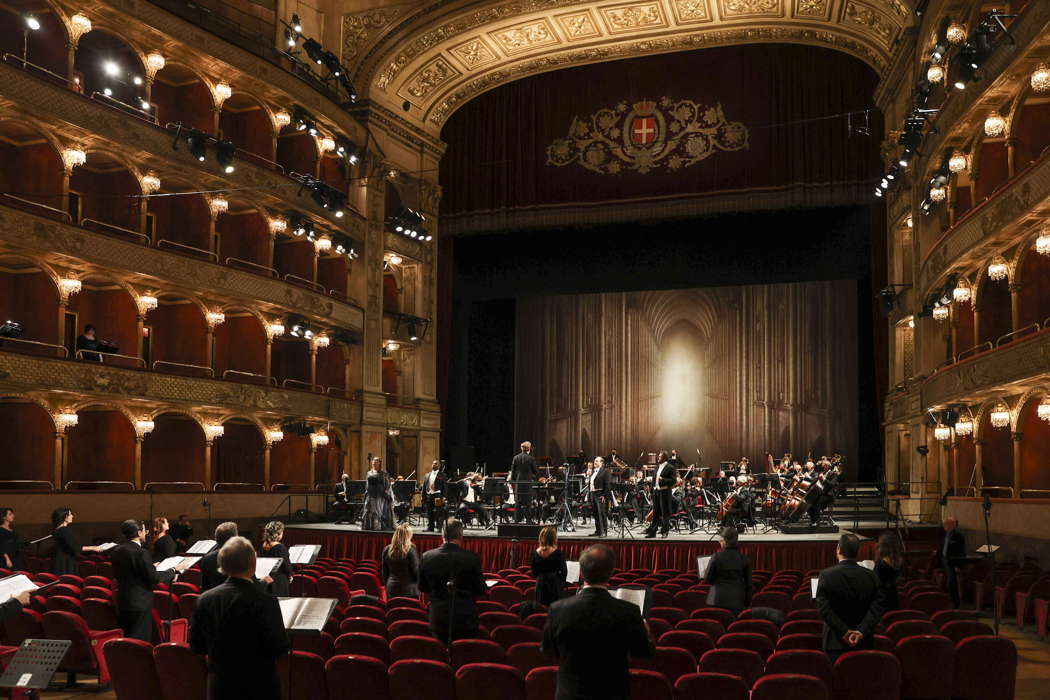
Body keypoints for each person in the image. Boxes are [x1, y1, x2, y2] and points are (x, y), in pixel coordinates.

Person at [542, 544, 655, 700]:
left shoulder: (558, 609)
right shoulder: (628, 612)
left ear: (581, 573)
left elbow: (548, 652)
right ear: (611, 573)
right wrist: (647, 633)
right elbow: (644, 653)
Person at [190, 536, 288, 700]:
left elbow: (197, 646)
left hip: (220, 686)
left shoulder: (204, 599)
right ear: (253, 563)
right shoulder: (265, 600)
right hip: (259, 687)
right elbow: (279, 647)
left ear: (222, 564)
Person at [815, 533, 884, 661]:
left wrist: (844, 632)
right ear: (857, 551)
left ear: (839, 550)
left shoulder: (826, 575)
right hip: (864, 642)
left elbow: (823, 609)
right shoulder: (871, 576)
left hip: (835, 643)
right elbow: (877, 608)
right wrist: (861, 631)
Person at [111, 519, 183, 642]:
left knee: (127, 640)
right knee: (139, 642)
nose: (146, 533)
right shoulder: (141, 552)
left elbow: (131, 571)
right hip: (140, 603)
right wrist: (173, 570)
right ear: (139, 533)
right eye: (145, 530)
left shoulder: (117, 550)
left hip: (123, 600)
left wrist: (151, 566)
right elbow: (154, 578)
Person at [418, 518, 485, 642]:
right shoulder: (472, 558)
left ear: (442, 535)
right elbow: (480, 590)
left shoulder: (426, 557)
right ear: (461, 536)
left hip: (438, 618)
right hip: (466, 620)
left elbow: (423, 587)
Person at [703, 527, 752, 615]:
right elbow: (749, 585)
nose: (719, 542)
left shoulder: (716, 556)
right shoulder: (744, 558)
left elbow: (707, 580)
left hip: (716, 600)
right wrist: (746, 603)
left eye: (720, 540)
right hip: (737, 600)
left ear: (725, 541)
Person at [50, 508, 103, 575]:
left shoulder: (57, 530)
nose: (72, 516)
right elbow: (76, 547)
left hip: (59, 563)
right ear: (65, 517)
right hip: (66, 564)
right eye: (70, 514)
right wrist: (93, 548)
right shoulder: (64, 530)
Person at [381, 523, 420, 598]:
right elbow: (416, 572)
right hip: (409, 590)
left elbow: (384, 573)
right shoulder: (410, 550)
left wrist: (388, 585)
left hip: (392, 588)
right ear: (408, 535)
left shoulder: (387, 549)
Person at [531, 526, 567, 607]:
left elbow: (533, 572)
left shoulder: (535, 553)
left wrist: (541, 577)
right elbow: (564, 572)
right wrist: (560, 583)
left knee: (541, 608)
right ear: (553, 538)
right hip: (554, 584)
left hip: (540, 583)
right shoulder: (558, 553)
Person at [200, 521, 240, 592]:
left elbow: (204, 587)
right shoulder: (241, 556)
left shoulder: (206, 559)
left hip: (213, 599)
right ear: (234, 538)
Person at [645, 451, 675, 538]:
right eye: (658, 456)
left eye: (660, 457)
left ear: (665, 458)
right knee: (655, 513)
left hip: (664, 492)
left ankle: (665, 532)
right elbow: (654, 480)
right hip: (656, 492)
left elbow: (674, 480)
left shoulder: (670, 467)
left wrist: (664, 480)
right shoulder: (657, 466)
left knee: (665, 514)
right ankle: (653, 532)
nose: (658, 458)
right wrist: (651, 491)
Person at [260, 521, 293, 597]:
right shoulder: (280, 548)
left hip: (268, 580)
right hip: (279, 581)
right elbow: (287, 566)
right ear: (278, 534)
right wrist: (290, 574)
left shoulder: (264, 545)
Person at [874, 531, 903, 611]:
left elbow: (876, 584)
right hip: (893, 596)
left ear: (882, 547)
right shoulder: (898, 560)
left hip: (882, 600)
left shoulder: (881, 564)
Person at [940, 517, 966, 608]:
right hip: (945, 561)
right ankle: (947, 602)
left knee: (952, 583)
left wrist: (958, 565)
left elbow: (961, 552)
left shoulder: (958, 536)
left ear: (952, 525)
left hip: (953, 562)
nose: (944, 526)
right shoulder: (946, 533)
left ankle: (955, 604)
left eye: (946, 524)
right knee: (946, 583)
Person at [363, 457, 394, 530]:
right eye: (373, 461)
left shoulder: (384, 473)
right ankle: (372, 526)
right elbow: (367, 484)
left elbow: (387, 484)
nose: (374, 462)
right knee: (371, 511)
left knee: (380, 511)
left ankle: (380, 526)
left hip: (380, 495)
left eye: (376, 461)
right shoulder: (369, 473)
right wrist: (367, 493)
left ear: (380, 463)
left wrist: (386, 493)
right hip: (371, 494)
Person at [510, 441, 538, 523]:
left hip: (518, 483)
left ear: (521, 448)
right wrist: (532, 476)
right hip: (527, 483)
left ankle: (516, 520)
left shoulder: (516, 458)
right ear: (529, 449)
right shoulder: (531, 458)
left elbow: (513, 471)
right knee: (527, 502)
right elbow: (535, 471)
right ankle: (528, 521)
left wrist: (514, 481)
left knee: (518, 502)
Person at [588, 456, 610, 537]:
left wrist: (604, 495)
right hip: (592, 494)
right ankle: (598, 530)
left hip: (600, 494)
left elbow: (608, 485)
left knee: (602, 513)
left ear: (602, 463)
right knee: (596, 513)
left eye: (597, 461)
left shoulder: (605, 471)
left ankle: (604, 531)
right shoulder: (593, 472)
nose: (595, 462)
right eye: (595, 461)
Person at [421, 460, 447, 531]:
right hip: (429, 496)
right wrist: (422, 496)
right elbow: (424, 487)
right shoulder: (427, 475)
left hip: (438, 496)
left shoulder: (442, 475)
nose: (434, 465)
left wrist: (444, 496)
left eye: (436, 464)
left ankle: (439, 527)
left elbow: (445, 487)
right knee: (429, 512)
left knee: (438, 511)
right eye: (433, 463)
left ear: (439, 466)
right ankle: (430, 527)